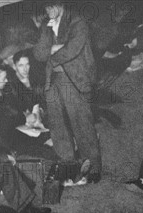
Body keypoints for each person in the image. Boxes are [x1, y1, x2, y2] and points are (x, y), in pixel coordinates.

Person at [33, 0, 102, 184]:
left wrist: (53, 53)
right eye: (45, 7)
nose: (49, 11)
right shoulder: (46, 25)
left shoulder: (77, 22)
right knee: (57, 127)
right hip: (53, 80)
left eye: (51, 6)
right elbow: (38, 54)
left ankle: (92, 169)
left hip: (73, 79)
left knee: (82, 124)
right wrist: (47, 35)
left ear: (61, 4)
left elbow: (72, 50)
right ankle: (69, 167)